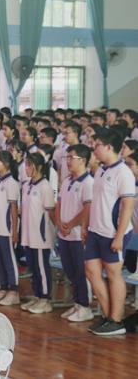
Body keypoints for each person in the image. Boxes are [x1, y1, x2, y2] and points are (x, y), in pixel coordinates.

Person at [85, 129, 135, 335]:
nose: (94, 149)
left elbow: (128, 206)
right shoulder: (101, 170)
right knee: (91, 271)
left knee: (114, 274)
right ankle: (107, 316)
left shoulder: (123, 172)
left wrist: (119, 236)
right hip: (95, 231)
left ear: (108, 147)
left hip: (113, 233)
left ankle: (116, 320)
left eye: (97, 145)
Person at [55, 144, 94, 322]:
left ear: (83, 160)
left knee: (80, 271)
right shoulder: (66, 181)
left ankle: (85, 306)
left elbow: (88, 209)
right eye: (67, 157)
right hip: (64, 234)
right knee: (70, 270)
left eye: (72, 158)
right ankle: (77, 303)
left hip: (78, 234)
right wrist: (58, 222)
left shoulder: (88, 182)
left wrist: (71, 224)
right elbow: (59, 203)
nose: (68, 161)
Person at [20, 152, 57, 314]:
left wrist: (58, 232)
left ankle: (45, 299)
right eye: (25, 164)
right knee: (33, 267)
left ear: (39, 167)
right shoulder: (26, 186)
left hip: (41, 236)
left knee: (42, 267)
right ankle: (37, 295)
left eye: (29, 165)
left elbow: (51, 213)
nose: (26, 168)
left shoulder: (45, 186)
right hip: (28, 234)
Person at [0, 151, 21, 306]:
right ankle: (3, 287)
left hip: (5, 229)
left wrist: (15, 231)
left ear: (6, 164)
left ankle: (14, 290)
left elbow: (14, 209)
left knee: (8, 260)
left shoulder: (11, 183)